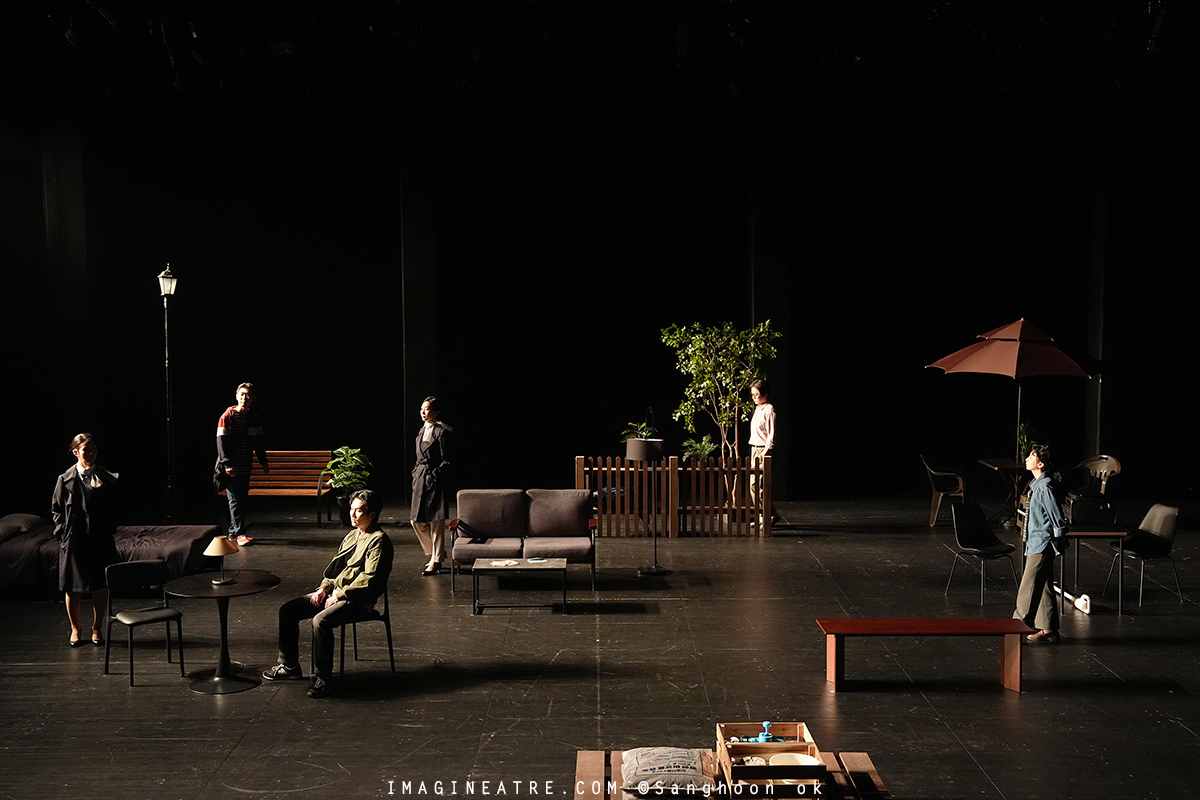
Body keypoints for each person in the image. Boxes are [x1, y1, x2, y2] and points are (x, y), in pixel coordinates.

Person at [263, 489, 393, 698]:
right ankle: (289, 665)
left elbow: (369, 579)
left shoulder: (378, 540)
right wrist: (324, 588)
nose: (352, 514)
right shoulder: (352, 535)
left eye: (359, 511)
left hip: (359, 600)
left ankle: (324, 678)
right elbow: (336, 570)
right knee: (288, 610)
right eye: (351, 509)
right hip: (337, 593)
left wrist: (339, 595)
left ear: (372, 514)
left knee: (320, 621)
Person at [51, 433, 122, 647]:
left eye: (93, 450)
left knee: (100, 586)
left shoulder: (106, 477)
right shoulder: (65, 479)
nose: (91, 453)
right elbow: (56, 510)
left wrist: (109, 529)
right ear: (76, 452)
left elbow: (114, 507)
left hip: (100, 539)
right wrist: (63, 533)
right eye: (86, 450)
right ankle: (76, 628)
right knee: (73, 587)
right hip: (75, 540)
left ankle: (96, 628)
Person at [1013, 443, 1064, 644]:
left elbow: (1057, 518)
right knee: (1043, 587)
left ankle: (1015, 629)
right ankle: (1048, 627)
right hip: (1037, 543)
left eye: (1032, 456)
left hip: (1042, 544)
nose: (1027, 459)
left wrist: (1057, 542)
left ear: (1041, 464)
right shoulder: (1037, 485)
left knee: (1028, 588)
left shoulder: (1044, 487)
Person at [216, 382, 269, 546]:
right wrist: (227, 464)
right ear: (236, 396)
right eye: (241, 394)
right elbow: (221, 443)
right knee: (235, 499)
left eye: (248, 395)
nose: (244, 398)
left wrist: (263, 462)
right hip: (231, 466)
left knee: (241, 499)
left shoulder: (253, 419)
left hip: (245, 465)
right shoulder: (227, 417)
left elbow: (258, 443)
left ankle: (233, 532)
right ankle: (239, 533)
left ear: (253, 398)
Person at [410, 396, 452, 576]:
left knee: (436, 521)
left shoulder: (442, 432)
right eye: (422, 408)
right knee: (416, 520)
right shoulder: (422, 430)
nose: (423, 412)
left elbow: (447, 459)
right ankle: (437, 552)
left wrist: (435, 474)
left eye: (427, 409)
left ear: (436, 412)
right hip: (420, 477)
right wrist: (415, 473)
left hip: (434, 479)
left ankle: (436, 560)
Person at [747, 378, 776, 524]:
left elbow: (771, 434)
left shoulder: (769, 410)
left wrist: (765, 451)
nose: (754, 398)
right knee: (754, 485)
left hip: (762, 450)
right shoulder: (758, 409)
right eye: (752, 395)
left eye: (756, 395)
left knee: (757, 485)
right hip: (755, 448)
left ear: (765, 395)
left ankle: (766, 516)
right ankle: (768, 515)